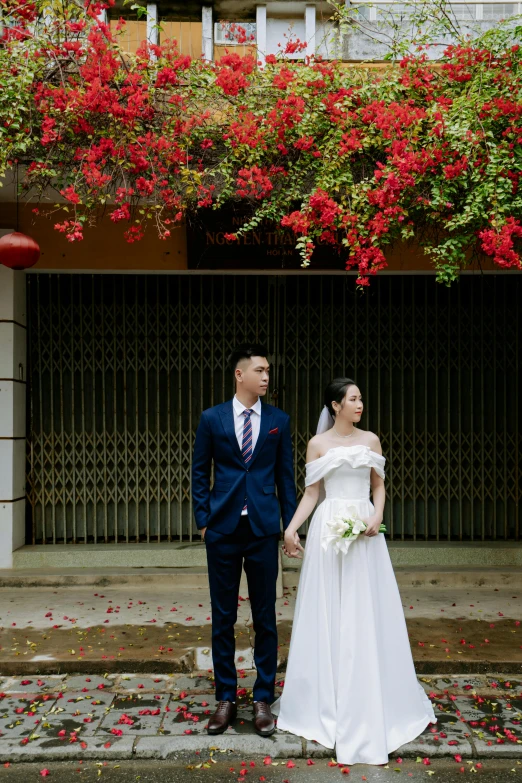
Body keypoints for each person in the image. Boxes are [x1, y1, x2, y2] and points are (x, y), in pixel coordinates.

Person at [274, 377, 436, 764]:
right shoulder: (317, 445)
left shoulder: (371, 441)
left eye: (361, 397)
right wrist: (292, 527)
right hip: (330, 530)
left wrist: (377, 513)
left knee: (366, 609)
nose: (360, 403)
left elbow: (378, 486)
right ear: (335, 405)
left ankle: (371, 688)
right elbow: (314, 493)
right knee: (330, 609)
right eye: (353, 398)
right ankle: (325, 696)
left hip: (365, 529)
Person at [192, 343, 297, 737]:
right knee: (224, 618)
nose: (266, 376)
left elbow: (285, 477)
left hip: (263, 531)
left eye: (268, 370)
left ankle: (262, 697)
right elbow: (199, 472)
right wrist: (205, 523)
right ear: (240, 375)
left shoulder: (277, 420)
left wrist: (288, 527)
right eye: (259, 370)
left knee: (265, 618)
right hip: (222, 531)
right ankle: (225, 698)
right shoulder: (212, 419)